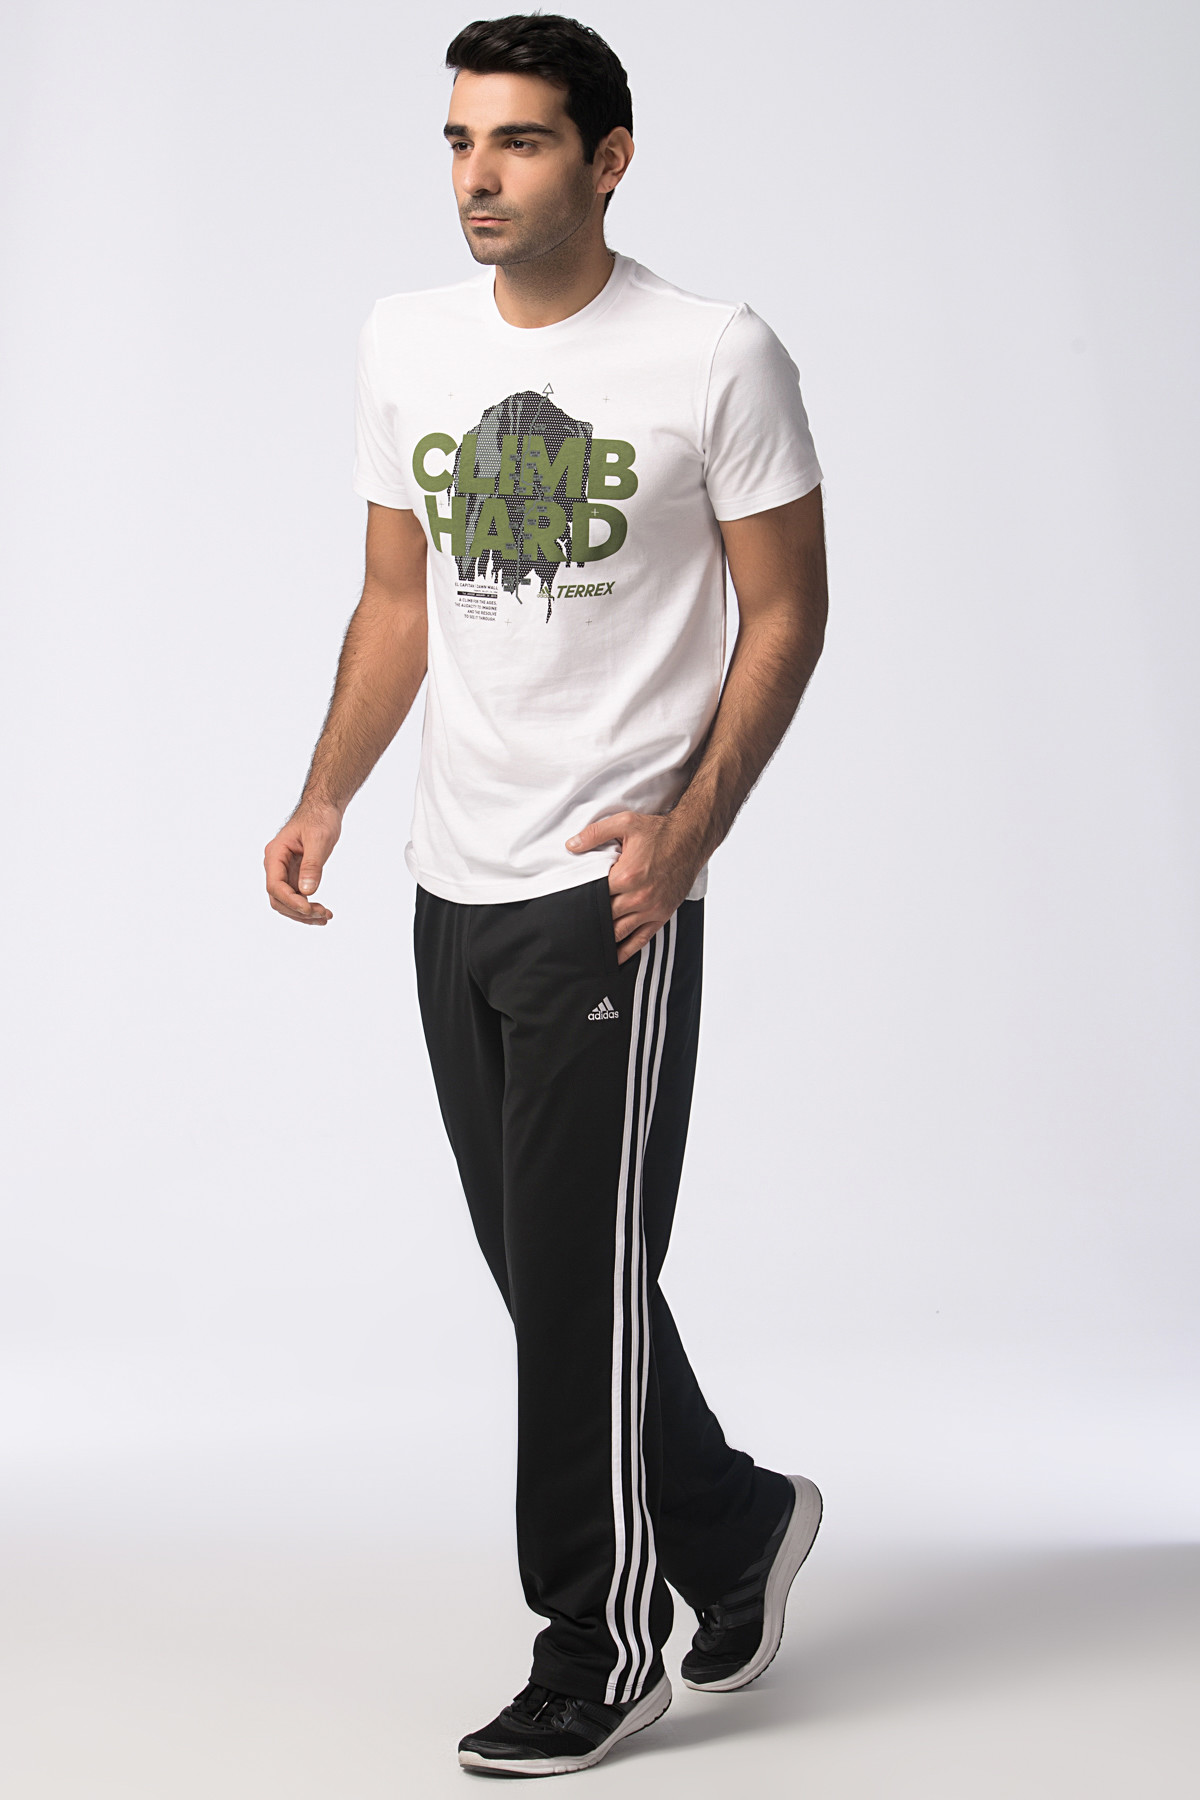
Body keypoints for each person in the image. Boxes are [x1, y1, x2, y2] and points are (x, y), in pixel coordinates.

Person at [264, 12, 829, 1778]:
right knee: (549, 1272)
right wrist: (328, 791)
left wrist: (692, 826)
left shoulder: (715, 354)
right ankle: (735, 1518)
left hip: (610, 892)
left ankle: (599, 1641)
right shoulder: (406, 340)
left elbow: (790, 611)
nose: (479, 176)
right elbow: (398, 600)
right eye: (459, 141)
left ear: (609, 157)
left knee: (578, 1284)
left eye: (517, 140)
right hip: (453, 876)